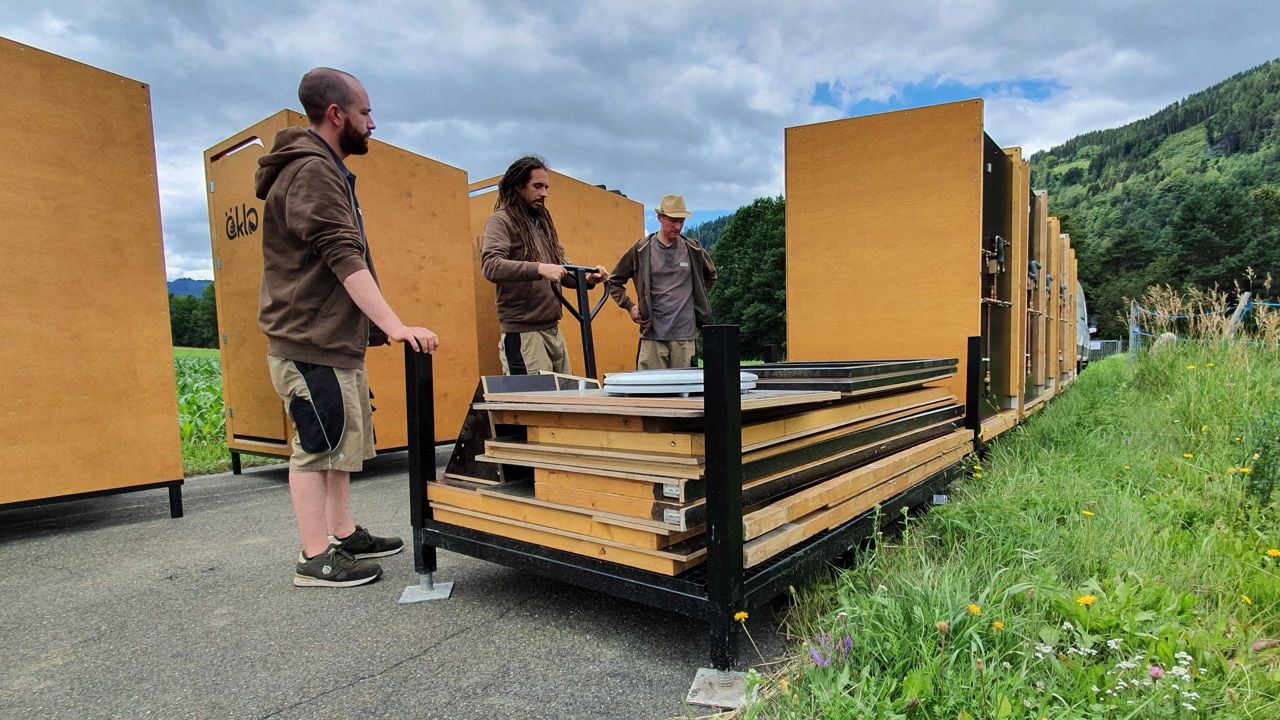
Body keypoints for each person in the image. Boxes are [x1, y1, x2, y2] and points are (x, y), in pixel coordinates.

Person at [256, 67, 440, 588]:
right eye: (366, 113)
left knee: (340, 444)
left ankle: (342, 532)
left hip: (334, 340)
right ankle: (314, 558)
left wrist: (372, 330)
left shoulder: (326, 169)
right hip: (309, 341)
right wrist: (396, 324)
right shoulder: (312, 171)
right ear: (336, 115)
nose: (373, 123)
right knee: (317, 445)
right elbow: (342, 256)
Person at [480, 156, 609, 375]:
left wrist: (586, 279)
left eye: (546, 187)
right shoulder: (501, 220)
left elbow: (559, 269)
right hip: (524, 335)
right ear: (518, 186)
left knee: (565, 402)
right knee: (533, 403)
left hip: (552, 331)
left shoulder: (542, 223)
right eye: (537, 186)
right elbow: (491, 265)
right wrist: (539, 268)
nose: (544, 193)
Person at [607, 194, 717, 370]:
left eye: (681, 220)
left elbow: (711, 276)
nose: (678, 226)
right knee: (649, 392)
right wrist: (630, 306)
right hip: (652, 335)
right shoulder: (641, 249)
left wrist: (696, 298)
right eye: (673, 220)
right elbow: (614, 281)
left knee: (685, 393)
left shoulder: (693, 249)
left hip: (685, 337)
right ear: (660, 217)